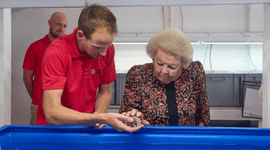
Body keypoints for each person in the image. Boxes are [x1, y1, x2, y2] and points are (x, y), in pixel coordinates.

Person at [39, 4, 146, 132]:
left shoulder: (106, 49)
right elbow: (52, 113)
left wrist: (99, 114)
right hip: (55, 130)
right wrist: (99, 118)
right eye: (97, 47)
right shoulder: (56, 52)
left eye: (107, 46)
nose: (104, 53)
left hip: (88, 127)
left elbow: (105, 92)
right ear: (80, 35)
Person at [119, 28, 210, 126]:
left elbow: (202, 117)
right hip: (150, 138)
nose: (164, 71)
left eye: (172, 67)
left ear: (182, 63)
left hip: (186, 138)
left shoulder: (194, 72)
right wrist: (134, 118)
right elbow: (125, 117)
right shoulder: (138, 74)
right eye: (159, 63)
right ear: (153, 57)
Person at [22, 12, 68, 125]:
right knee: (37, 140)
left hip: (64, 107)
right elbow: (27, 78)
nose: (61, 29)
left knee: (61, 140)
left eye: (64, 26)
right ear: (49, 23)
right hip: (39, 106)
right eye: (58, 24)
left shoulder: (68, 49)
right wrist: (36, 99)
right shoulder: (35, 47)